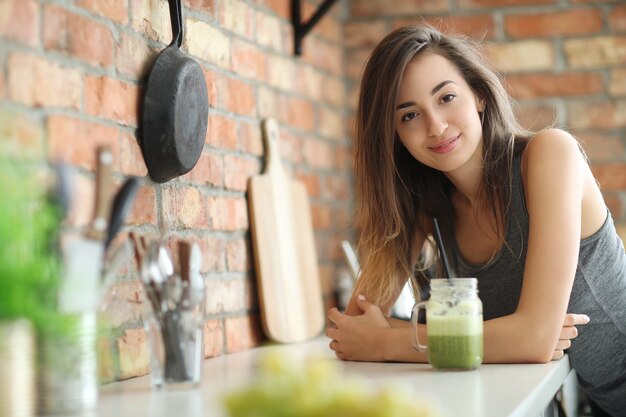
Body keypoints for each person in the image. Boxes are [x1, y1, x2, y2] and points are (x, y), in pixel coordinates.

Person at [326, 24, 626, 417]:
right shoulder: (426, 207)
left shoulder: (551, 155)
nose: (435, 126)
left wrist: (392, 341)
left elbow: (533, 340)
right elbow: (355, 331)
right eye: (410, 115)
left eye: (446, 97)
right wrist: (502, 338)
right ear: (394, 135)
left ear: (479, 96)